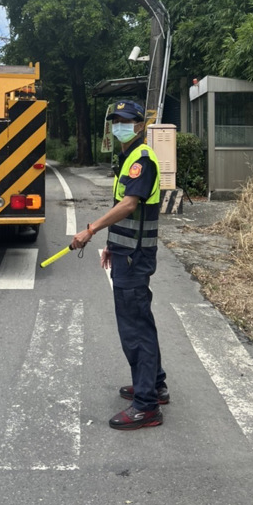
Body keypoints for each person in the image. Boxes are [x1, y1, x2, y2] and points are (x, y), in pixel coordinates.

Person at [71, 100, 168, 430]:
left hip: (136, 257)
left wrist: (91, 230)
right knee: (142, 320)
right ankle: (156, 385)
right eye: (115, 120)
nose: (119, 125)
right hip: (127, 252)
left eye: (126, 120)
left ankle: (146, 405)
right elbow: (126, 212)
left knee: (135, 328)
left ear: (140, 125)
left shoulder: (141, 159)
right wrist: (111, 245)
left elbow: (128, 205)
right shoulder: (127, 157)